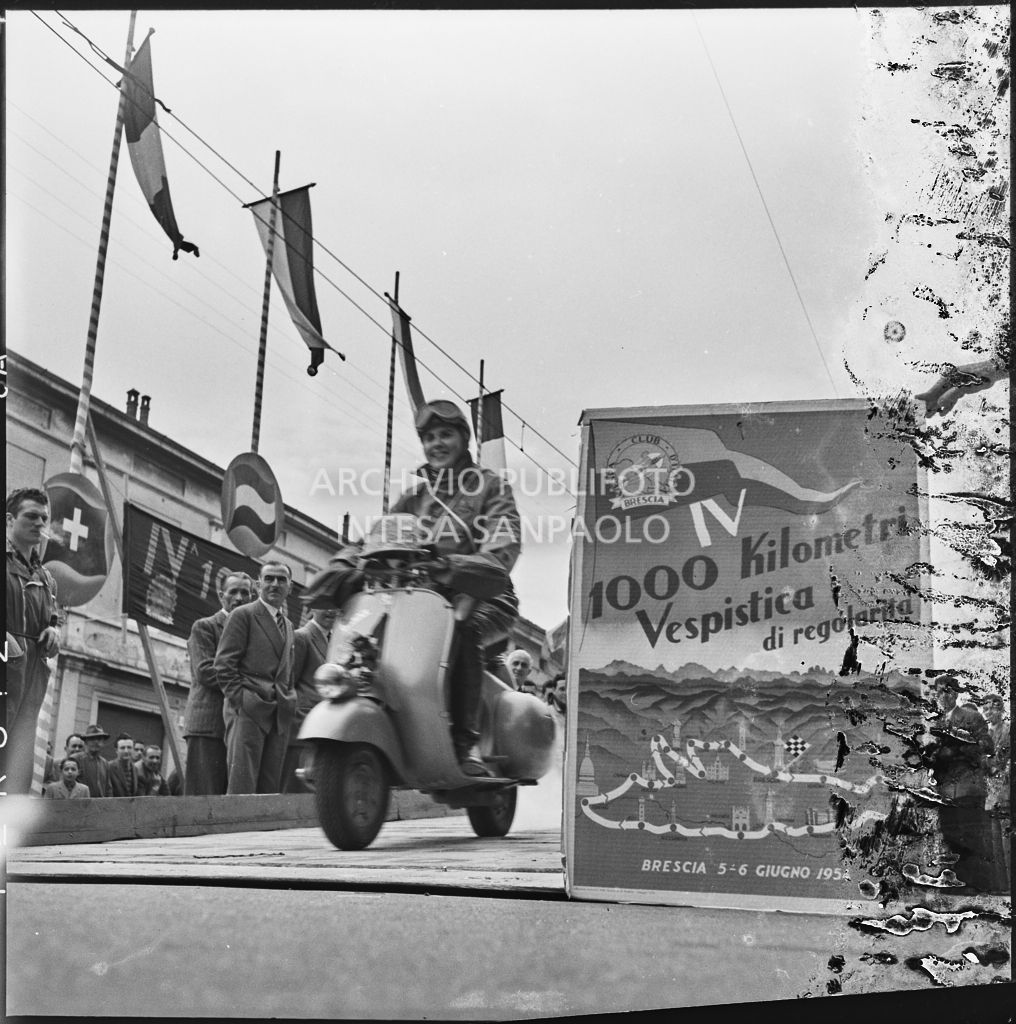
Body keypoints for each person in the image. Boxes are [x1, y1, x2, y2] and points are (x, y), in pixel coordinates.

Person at [304, 399, 521, 777]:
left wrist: (455, 566)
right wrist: (341, 567)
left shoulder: (489, 487)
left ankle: (464, 744)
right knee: (368, 639)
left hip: (484, 596)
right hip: (414, 598)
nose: (437, 444)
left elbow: (502, 548)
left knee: (461, 626)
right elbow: (371, 539)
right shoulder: (414, 497)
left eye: (446, 435)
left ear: (463, 439)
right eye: (430, 437)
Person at [214, 562, 297, 794]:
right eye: (269, 578)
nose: (275, 584)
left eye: (282, 580)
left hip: (278, 713)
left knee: (269, 788)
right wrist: (242, 701)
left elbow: (287, 671)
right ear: (258, 584)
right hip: (248, 711)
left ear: (290, 587)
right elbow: (223, 665)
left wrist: (289, 699)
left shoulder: (288, 625)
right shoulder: (243, 615)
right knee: (242, 784)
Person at [5, 487, 60, 794]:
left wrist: (55, 631)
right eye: (31, 516)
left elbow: (54, 615)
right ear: (10, 519)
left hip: (32, 670)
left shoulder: (46, 576)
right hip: (5, 664)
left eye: (44, 517)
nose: (40, 523)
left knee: (21, 745)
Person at [184, 571, 255, 795]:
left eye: (245, 592)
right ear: (221, 595)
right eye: (233, 591)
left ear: (252, 598)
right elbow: (205, 672)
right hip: (209, 724)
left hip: (240, 725)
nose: (239, 597)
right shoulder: (204, 627)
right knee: (204, 796)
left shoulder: (253, 632)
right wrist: (252, 685)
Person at [924, 675, 996, 892]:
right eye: (937, 692)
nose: (941, 696)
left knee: (973, 837)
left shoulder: (971, 717)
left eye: (946, 691)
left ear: (955, 693)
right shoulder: (933, 722)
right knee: (951, 838)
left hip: (968, 787)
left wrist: (958, 747)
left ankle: (980, 886)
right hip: (945, 791)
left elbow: (987, 746)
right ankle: (959, 884)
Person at [281, 607, 337, 794]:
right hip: (302, 726)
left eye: (336, 607)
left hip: (327, 730)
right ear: (313, 608)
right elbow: (289, 682)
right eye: (327, 605)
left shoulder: (336, 642)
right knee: (296, 791)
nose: (332, 611)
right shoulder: (302, 637)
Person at [72, 724, 112, 798]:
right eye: (92, 739)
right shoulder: (75, 759)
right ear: (86, 741)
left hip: (100, 806)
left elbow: (108, 789)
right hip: (80, 804)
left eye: (99, 739)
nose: (96, 742)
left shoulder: (104, 763)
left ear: (103, 742)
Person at [107, 732, 142, 798]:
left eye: (129, 747)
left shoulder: (135, 769)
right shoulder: (109, 767)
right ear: (116, 750)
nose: (126, 751)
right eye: (122, 748)